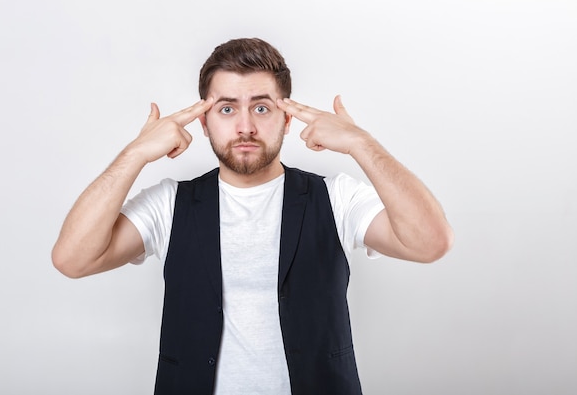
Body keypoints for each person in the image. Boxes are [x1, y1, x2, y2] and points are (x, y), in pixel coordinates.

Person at [52, 38, 453, 395]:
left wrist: (361, 144)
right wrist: (135, 153)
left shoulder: (336, 197)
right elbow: (72, 259)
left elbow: (431, 242)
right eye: (227, 109)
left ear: (286, 118)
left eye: (261, 107)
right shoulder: (171, 204)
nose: (245, 126)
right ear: (205, 123)